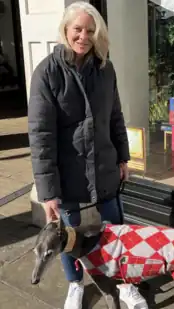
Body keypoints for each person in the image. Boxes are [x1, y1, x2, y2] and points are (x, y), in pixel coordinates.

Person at [28, 2, 142, 309]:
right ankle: (75, 284)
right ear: (65, 30)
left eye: (90, 30)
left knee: (115, 234)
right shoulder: (46, 73)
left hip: (105, 168)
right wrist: (48, 192)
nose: (84, 36)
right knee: (68, 239)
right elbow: (41, 137)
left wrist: (122, 158)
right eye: (77, 29)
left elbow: (115, 116)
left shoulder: (105, 67)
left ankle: (124, 283)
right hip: (69, 177)